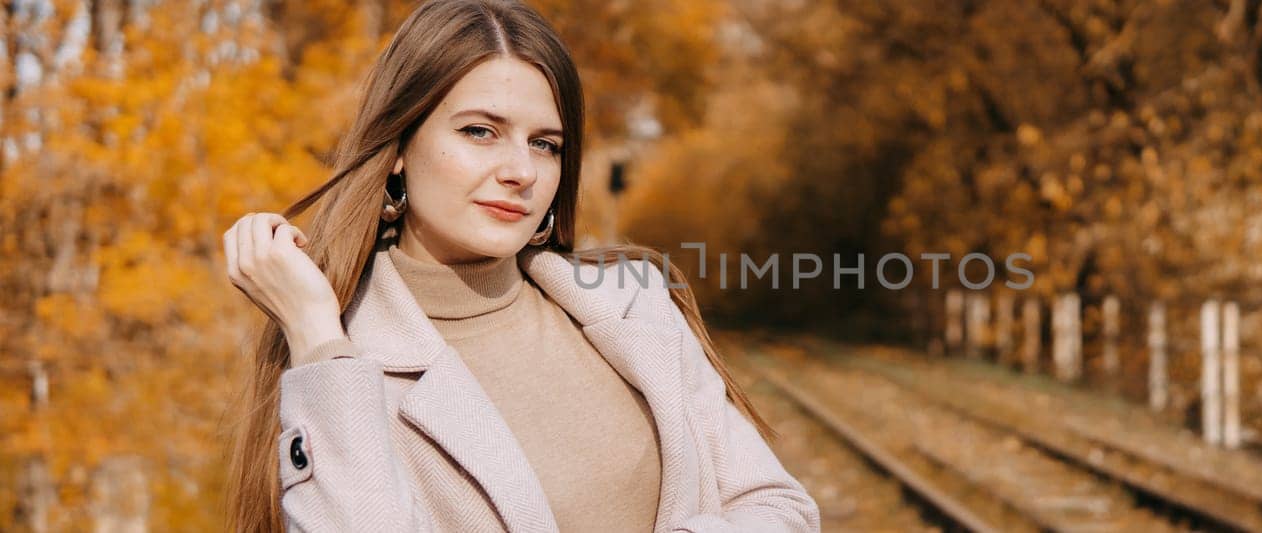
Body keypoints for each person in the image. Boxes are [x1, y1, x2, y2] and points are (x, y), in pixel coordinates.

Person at [219, 0, 819, 530]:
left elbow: (778, 507)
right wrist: (316, 334)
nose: (522, 171)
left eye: (545, 144)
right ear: (398, 147)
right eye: (481, 132)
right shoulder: (340, 367)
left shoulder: (632, 308)